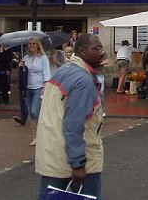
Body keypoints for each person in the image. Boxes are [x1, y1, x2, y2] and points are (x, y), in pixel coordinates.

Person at [35, 33, 104, 200]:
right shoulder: (83, 81)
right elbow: (73, 123)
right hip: (78, 159)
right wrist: (78, 163)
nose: (101, 52)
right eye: (96, 49)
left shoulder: (63, 71)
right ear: (82, 50)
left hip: (53, 154)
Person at [21, 38, 50, 146]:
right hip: (28, 87)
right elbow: (23, 73)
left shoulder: (43, 58)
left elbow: (46, 73)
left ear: (38, 46)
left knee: (34, 111)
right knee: (31, 114)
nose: (31, 46)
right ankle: (36, 136)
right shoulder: (25, 58)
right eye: (30, 44)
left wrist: (46, 85)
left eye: (34, 44)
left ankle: (43, 133)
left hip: (39, 87)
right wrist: (21, 67)